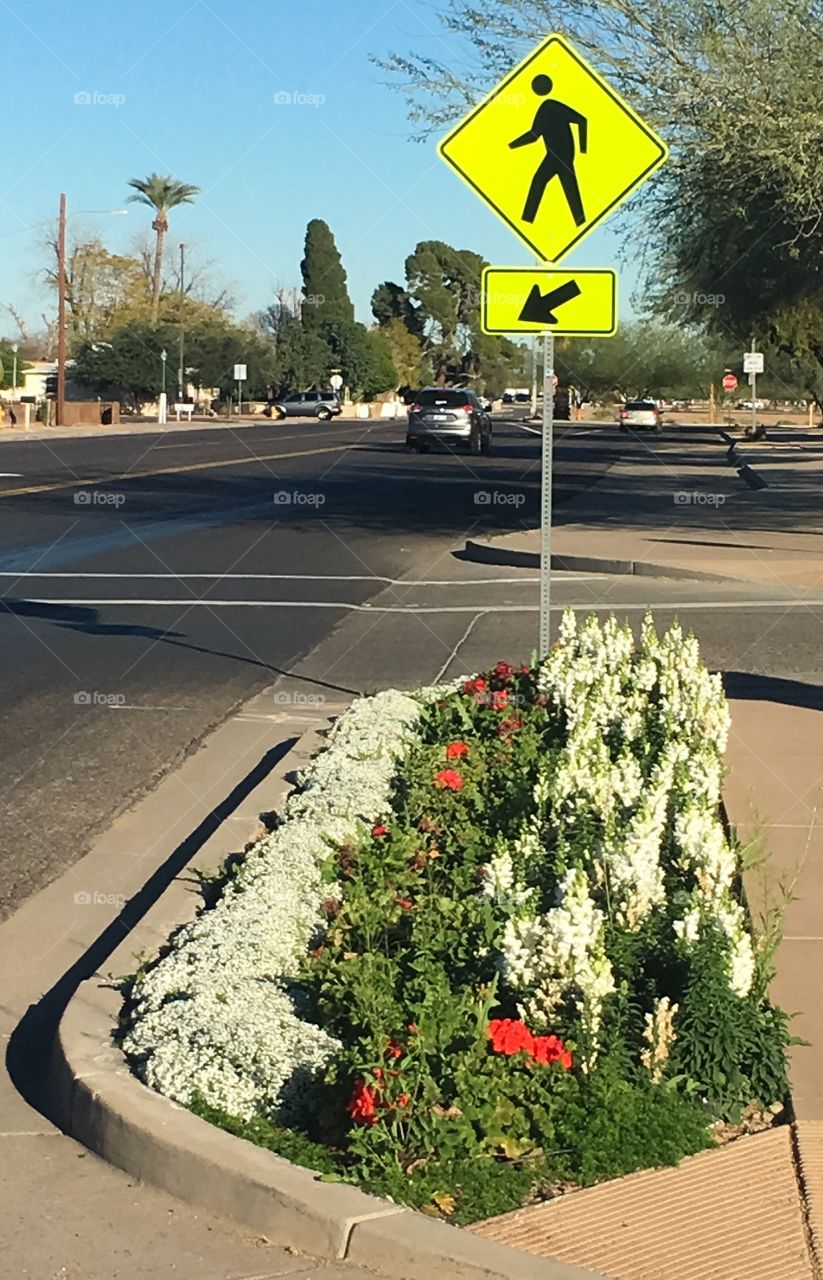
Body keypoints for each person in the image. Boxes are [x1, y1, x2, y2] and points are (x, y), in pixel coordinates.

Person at [510, 74, 588, 226]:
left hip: (558, 156)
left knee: (539, 182)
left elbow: (582, 121)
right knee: (570, 192)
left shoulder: (550, 107)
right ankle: (580, 222)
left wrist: (583, 149)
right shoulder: (548, 107)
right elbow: (534, 136)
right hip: (561, 156)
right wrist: (511, 146)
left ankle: (527, 220)